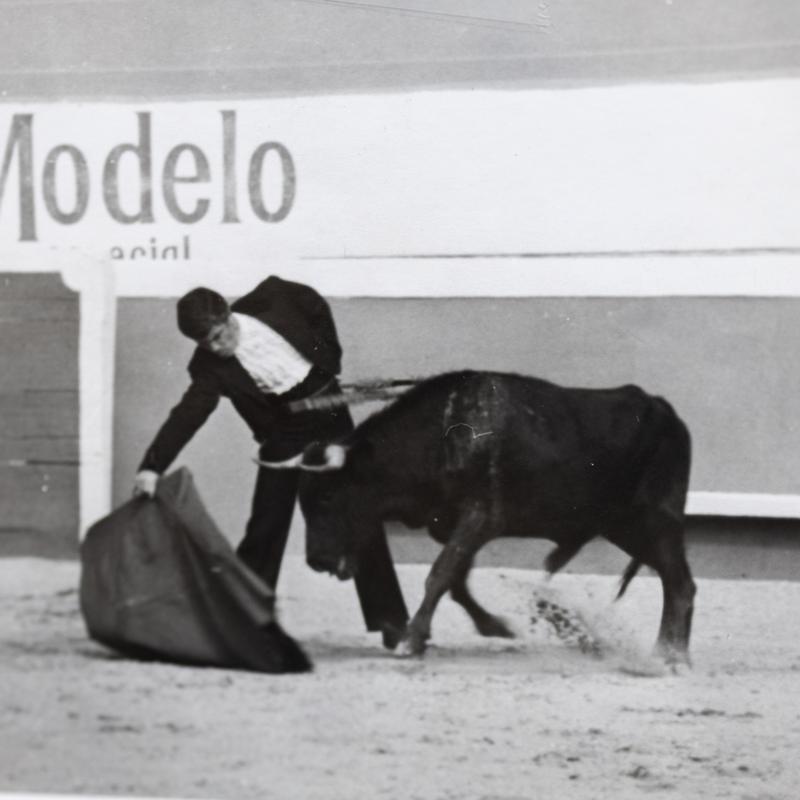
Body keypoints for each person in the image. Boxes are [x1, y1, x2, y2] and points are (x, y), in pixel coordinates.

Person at [133, 275, 408, 648]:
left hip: (329, 414)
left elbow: (315, 304)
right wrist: (152, 466)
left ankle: (393, 624)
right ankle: (243, 622)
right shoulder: (208, 367)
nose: (217, 347)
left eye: (220, 335)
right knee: (266, 524)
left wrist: (329, 360)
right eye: (207, 343)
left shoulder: (276, 299)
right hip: (282, 431)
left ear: (228, 315)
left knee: (358, 510)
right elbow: (188, 415)